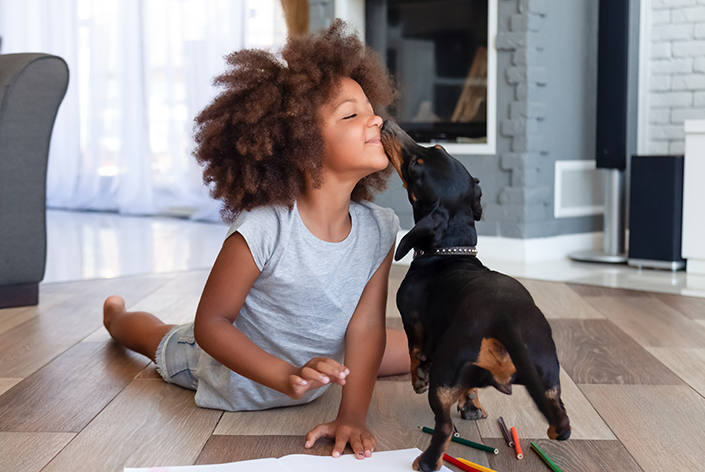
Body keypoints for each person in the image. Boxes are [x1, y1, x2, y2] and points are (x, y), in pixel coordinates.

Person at [102, 20, 410, 460]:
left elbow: (364, 329)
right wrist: (284, 374)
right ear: (301, 145)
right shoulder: (265, 226)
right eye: (351, 114)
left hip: (317, 365)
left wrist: (352, 417)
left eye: (370, 108)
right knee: (157, 337)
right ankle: (116, 316)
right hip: (228, 374)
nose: (376, 119)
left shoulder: (380, 227)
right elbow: (211, 324)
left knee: (406, 346)